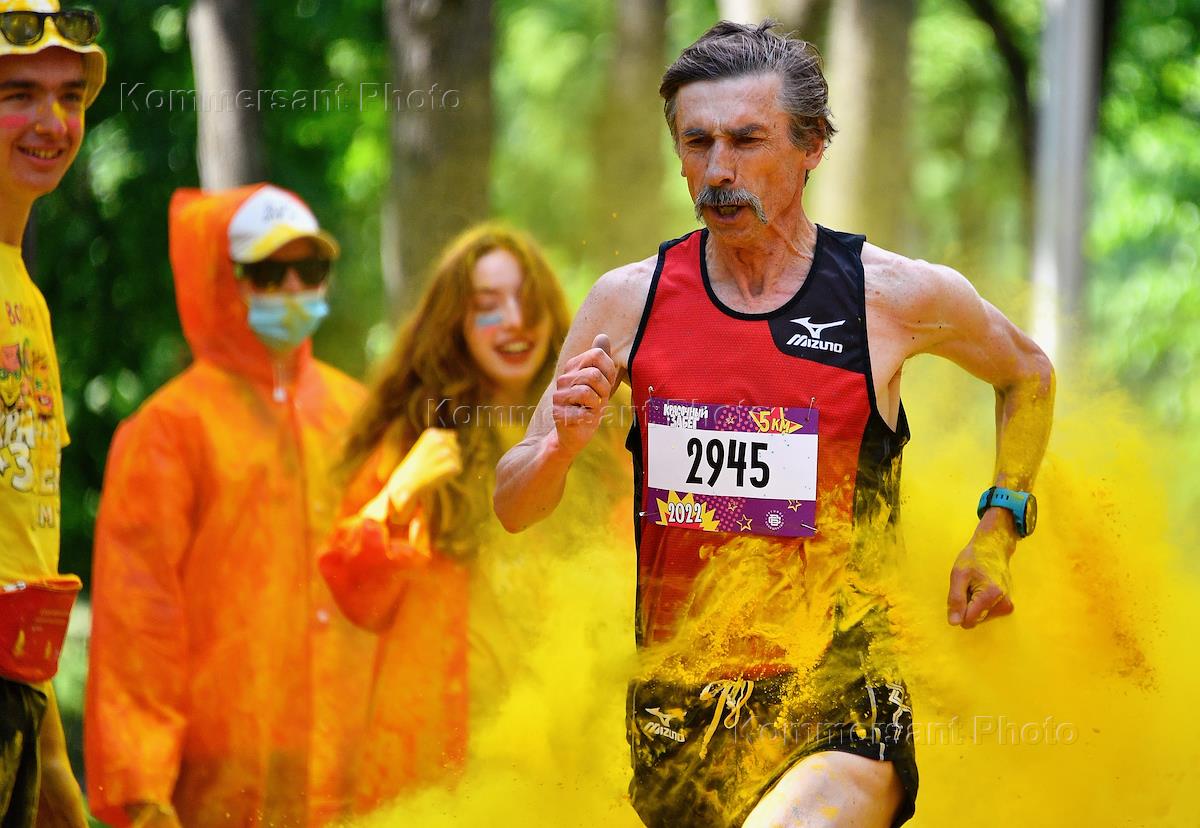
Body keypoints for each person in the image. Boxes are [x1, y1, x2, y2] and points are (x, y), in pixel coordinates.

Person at [495, 20, 1055, 828]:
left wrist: (997, 531)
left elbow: (1027, 373)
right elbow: (514, 505)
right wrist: (558, 447)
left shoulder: (891, 296)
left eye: (747, 140)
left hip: (841, 692)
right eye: (697, 143)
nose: (718, 170)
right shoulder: (628, 301)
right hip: (678, 707)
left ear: (812, 145)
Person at [85, 184, 376, 827]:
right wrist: (143, 785)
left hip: (350, 774)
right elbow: (139, 618)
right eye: (269, 272)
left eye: (311, 268)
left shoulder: (357, 415)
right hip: (213, 787)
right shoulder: (169, 429)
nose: (293, 287)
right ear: (224, 280)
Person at [319, 224, 623, 812]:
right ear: (455, 322)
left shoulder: (603, 434)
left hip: (568, 742)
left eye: (528, 302)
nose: (516, 321)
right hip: (446, 758)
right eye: (489, 306)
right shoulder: (415, 437)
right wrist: (396, 496)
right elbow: (354, 593)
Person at [0, 2, 105, 824]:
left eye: (70, 96)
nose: (52, 122)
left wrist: (48, 745)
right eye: (19, 95)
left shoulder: (24, 295)